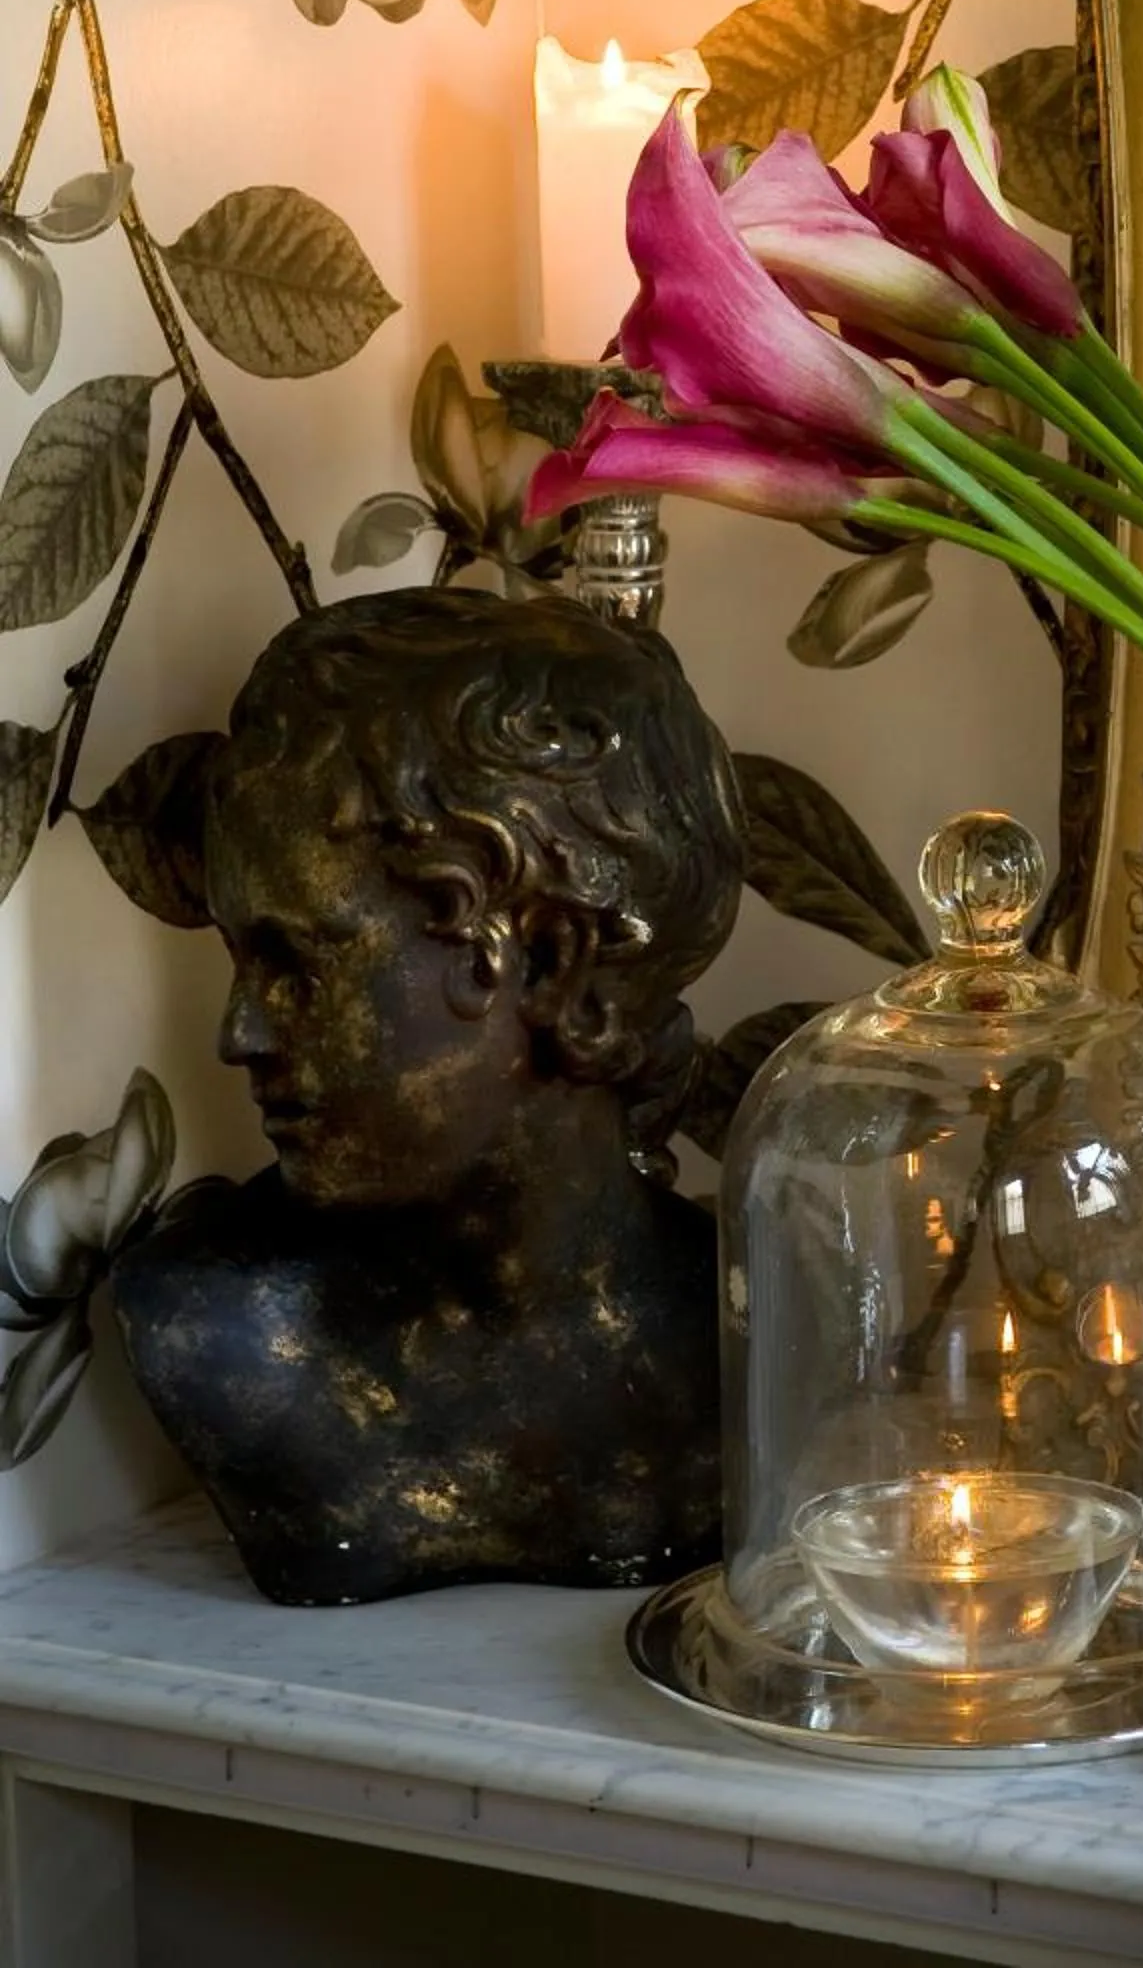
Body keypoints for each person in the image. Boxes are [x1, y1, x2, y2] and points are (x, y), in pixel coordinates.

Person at [112, 588, 742, 1605]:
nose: (239, 1033)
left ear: (540, 961)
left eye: (296, 961)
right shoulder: (215, 1329)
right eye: (238, 957)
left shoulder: (757, 1336)